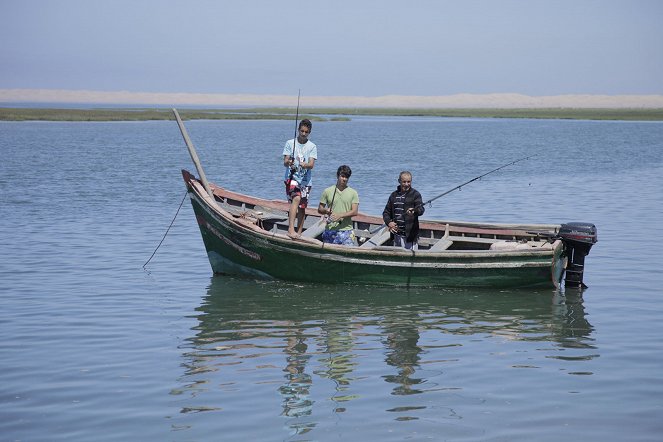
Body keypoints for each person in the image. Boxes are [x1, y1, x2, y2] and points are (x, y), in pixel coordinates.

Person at [282, 119, 317, 238]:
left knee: (302, 207)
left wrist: (305, 164)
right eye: (301, 131)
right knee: (296, 198)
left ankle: (299, 233)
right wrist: (289, 162)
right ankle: (290, 229)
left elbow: (311, 164)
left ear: (309, 132)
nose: (303, 134)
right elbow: (285, 162)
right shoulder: (290, 143)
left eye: (306, 132)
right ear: (298, 130)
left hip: (305, 181)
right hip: (291, 177)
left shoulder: (312, 146)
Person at [318, 165, 359, 246]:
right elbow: (320, 209)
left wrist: (340, 215)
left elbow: (355, 212)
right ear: (337, 176)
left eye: (347, 177)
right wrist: (326, 211)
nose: (344, 179)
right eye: (342, 176)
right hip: (330, 230)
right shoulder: (327, 191)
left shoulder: (353, 192)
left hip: (347, 231)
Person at [382, 171, 425, 250]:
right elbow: (386, 213)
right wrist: (389, 223)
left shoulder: (415, 194)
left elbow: (421, 209)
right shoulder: (393, 195)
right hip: (396, 234)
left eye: (408, 182)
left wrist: (414, 211)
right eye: (404, 182)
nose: (406, 184)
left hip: (410, 236)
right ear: (399, 181)